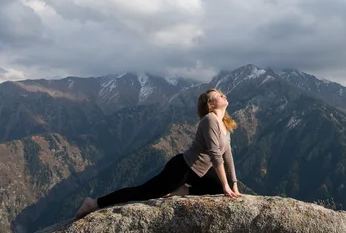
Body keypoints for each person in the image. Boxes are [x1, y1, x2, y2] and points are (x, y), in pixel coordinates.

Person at [74, 88, 242, 219]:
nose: (223, 95)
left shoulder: (225, 125)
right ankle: (94, 203)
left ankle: (182, 191)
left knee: (218, 188)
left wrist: (232, 185)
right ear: (211, 105)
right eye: (219, 95)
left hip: (201, 172)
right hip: (183, 168)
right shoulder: (210, 120)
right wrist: (227, 186)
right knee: (142, 192)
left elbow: (228, 156)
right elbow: (215, 154)